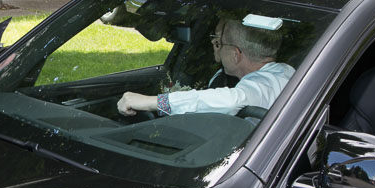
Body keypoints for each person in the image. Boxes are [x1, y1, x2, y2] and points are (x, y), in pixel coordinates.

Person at [118, 18, 294, 117]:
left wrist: (153, 102)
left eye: (219, 42)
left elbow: (233, 101)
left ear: (235, 54)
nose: (214, 44)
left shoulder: (266, 83)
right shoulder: (284, 71)